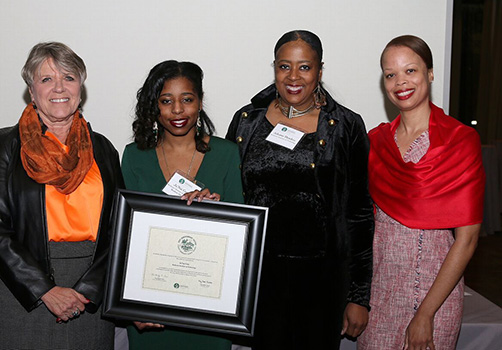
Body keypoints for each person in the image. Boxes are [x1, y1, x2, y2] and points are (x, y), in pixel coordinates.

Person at [226, 30, 374, 349]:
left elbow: (360, 216)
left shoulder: (346, 126)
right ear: (275, 69)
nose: (293, 76)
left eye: (304, 67)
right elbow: (230, 198)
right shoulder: (245, 122)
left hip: (322, 281)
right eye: (284, 66)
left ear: (320, 71)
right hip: (259, 279)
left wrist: (359, 296)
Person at [0, 42, 123, 349]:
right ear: (32, 92)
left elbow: (119, 229)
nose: (59, 87)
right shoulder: (6, 145)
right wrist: (44, 289)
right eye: (46, 79)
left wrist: (87, 290)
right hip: (21, 290)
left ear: (81, 88)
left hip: (89, 294)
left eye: (69, 78)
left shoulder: (104, 150)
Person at [358, 35, 485, 350]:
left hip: (433, 297)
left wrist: (426, 313)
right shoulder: (376, 142)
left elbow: (467, 239)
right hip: (379, 296)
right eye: (390, 74)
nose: (400, 81)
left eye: (410, 71)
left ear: (429, 72)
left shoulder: (460, 141)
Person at [121, 60, 244, 350]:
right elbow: (124, 238)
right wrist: (131, 305)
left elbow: (242, 239)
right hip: (149, 312)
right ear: (154, 106)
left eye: (187, 100)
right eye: (166, 101)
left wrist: (219, 212)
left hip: (210, 311)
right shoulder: (134, 156)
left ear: (199, 103)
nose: (177, 110)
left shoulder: (226, 154)